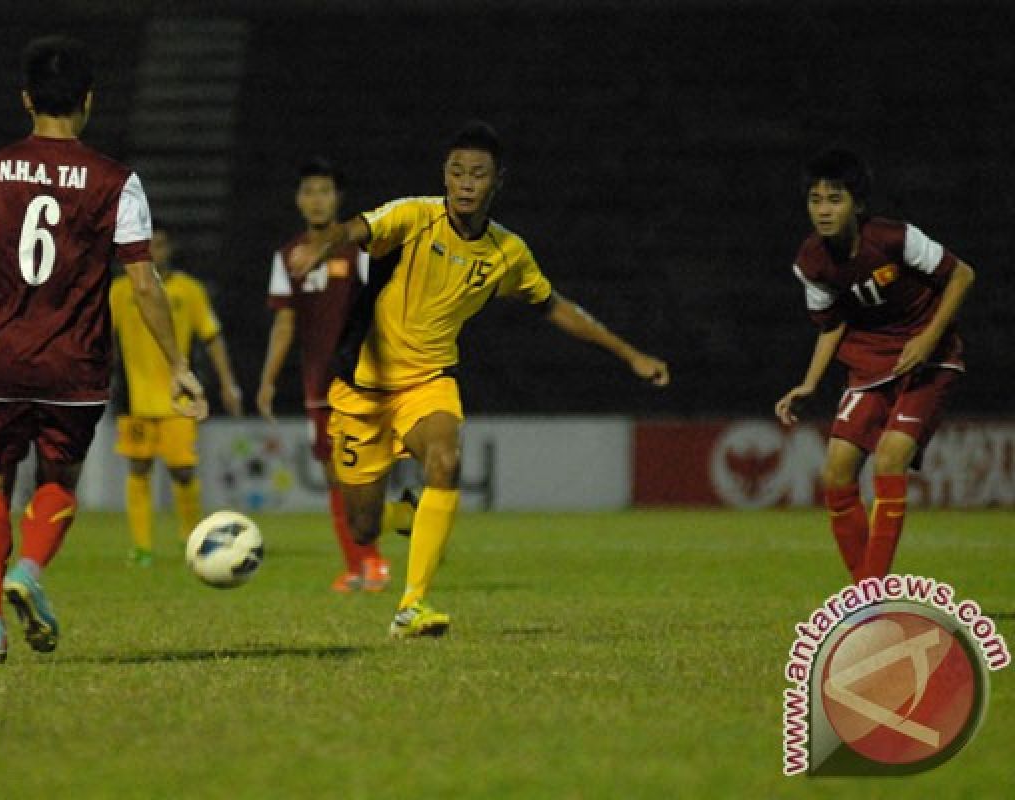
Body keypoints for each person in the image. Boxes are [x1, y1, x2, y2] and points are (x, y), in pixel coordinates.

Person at [288, 121, 670, 637]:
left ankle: (412, 605)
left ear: (497, 181)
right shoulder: (415, 216)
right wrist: (324, 245)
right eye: (457, 172)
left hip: (428, 381)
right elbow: (356, 228)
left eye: (478, 174)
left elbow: (554, 306)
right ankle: (405, 518)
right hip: (361, 388)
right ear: (444, 176)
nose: (465, 182)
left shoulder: (506, 253)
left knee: (445, 461)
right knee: (364, 525)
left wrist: (630, 354)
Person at [0, 35, 207, 664]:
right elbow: (142, 282)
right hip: (74, 367)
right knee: (57, 481)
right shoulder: (116, 181)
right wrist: (179, 366)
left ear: (27, 99)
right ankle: (28, 567)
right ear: (88, 101)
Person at [775, 148, 974, 583]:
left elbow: (962, 275)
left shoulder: (894, 238)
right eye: (815, 200)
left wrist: (928, 337)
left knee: (890, 459)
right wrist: (809, 384)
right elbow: (831, 327)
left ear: (857, 204)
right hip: (868, 364)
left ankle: (869, 602)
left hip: (929, 358)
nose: (823, 210)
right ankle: (870, 592)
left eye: (834, 199)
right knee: (836, 472)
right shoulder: (811, 261)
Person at [258, 158, 413, 593]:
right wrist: (268, 380)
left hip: (361, 378)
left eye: (324, 191)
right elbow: (285, 322)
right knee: (334, 476)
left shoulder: (357, 250)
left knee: (360, 473)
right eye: (308, 191)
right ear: (297, 199)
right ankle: (356, 565)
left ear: (338, 198)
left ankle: (375, 560)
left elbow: (383, 309)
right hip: (317, 382)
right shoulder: (287, 256)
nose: (316, 199)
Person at [111, 224, 243, 566]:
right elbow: (100, 341)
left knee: (183, 471)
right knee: (138, 469)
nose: (154, 250)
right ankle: (141, 547)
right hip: (134, 396)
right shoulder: (119, 291)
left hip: (178, 398)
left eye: (160, 244)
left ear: (169, 249)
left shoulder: (189, 290)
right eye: (148, 245)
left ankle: (192, 541)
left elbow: (212, 338)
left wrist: (228, 383)